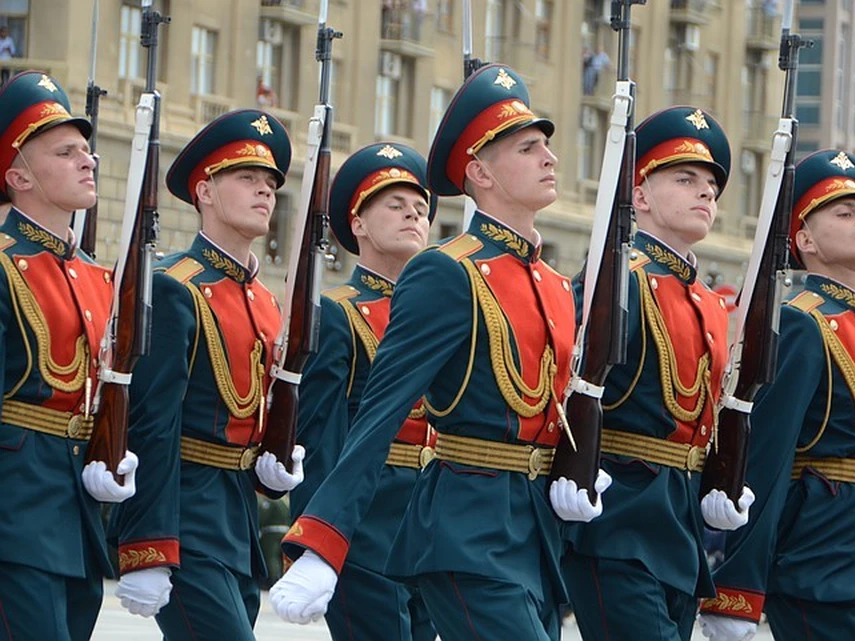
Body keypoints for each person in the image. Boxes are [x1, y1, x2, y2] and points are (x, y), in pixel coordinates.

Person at [270, 63, 610, 641]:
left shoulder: (555, 285)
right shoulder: (445, 272)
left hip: (534, 535)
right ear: (480, 171)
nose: (550, 158)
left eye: (547, 146)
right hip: (464, 532)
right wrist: (323, 541)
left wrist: (576, 470)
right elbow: (377, 415)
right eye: (528, 148)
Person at [700, 149, 855, 641]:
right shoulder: (800, 321)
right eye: (844, 212)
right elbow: (767, 458)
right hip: (819, 561)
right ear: (804, 240)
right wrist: (738, 589)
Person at [109, 108, 305, 640]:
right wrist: (147, 545)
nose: (265, 191)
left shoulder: (267, 302)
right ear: (205, 192)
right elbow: (153, 425)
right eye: (247, 179)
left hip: (236, 519)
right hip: (186, 519)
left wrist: (278, 457)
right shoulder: (175, 286)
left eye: (270, 183)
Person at [561, 105, 752, 641]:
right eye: (685, 178)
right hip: (617, 521)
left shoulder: (711, 304)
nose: (706, 192)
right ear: (639, 195)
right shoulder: (615, 280)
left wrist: (722, 481)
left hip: (680, 526)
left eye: (711, 183)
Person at [0, 70, 137, 640]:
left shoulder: (101, 277)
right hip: (14, 514)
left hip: (77, 519)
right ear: (18, 176)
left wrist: (115, 455)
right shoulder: (5, 265)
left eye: (87, 149)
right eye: (65, 151)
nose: (88, 161)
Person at [289, 141, 438, 641]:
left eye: (420, 209)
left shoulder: (442, 315)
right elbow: (320, 440)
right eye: (395, 206)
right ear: (358, 224)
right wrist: (319, 542)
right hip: (366, 527)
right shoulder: (338, 314)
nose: (412, 217)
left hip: (427, 528)